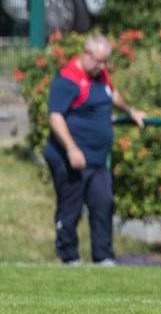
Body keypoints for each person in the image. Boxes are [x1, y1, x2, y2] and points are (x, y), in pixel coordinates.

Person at [45, 35, 148, 265]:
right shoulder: (67, 79)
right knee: (70, 208)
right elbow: (55, 117)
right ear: (86, 54)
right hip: (70, 158)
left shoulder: (100, 77)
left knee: (103, 203)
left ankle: (103, 256)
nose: (103, 66)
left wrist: (131, 110)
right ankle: (69, 256)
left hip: (97, 159)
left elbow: (112, 94)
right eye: (99, 61)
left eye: (106, 62)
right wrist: (71, 148)